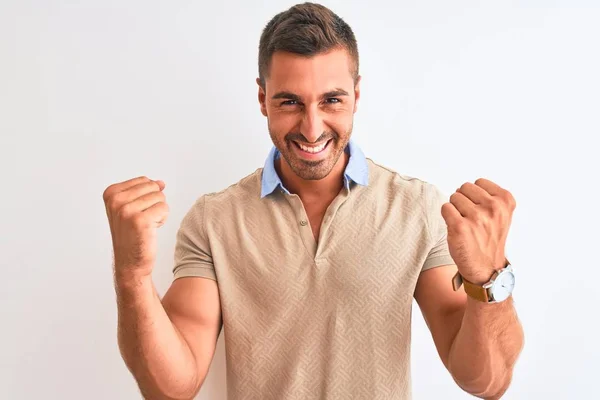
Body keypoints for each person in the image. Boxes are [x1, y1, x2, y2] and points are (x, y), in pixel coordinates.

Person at [102, 3, 524, 399]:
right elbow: (172, 387)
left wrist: (489, 277)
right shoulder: (213, 221)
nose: (311, 127)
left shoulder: (417, 210)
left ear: (357, 96)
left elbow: (485, 381)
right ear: (262, 98)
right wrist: (132, 275)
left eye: (331, 100)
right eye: (290, 102)